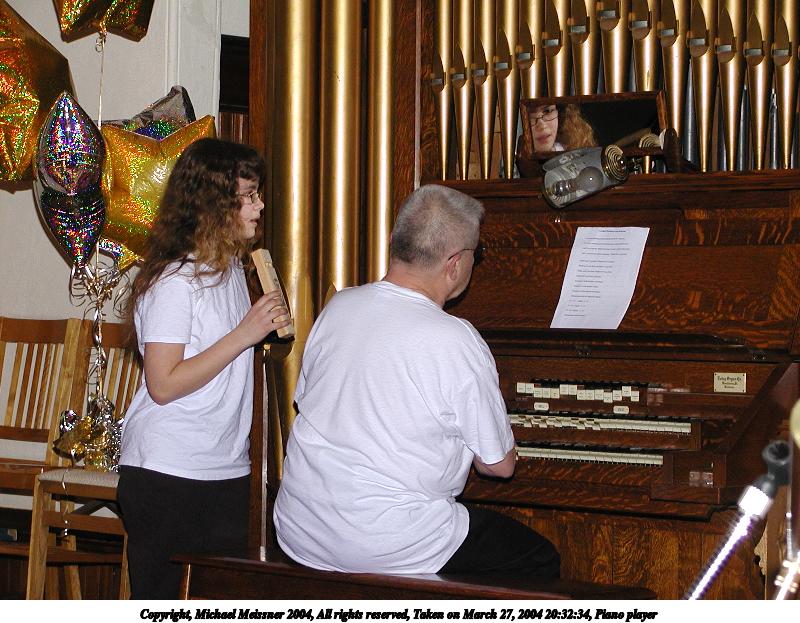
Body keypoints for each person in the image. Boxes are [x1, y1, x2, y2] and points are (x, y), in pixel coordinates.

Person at [274, 184, 559, 576]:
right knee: (541, 559)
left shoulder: (338, 306)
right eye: (476, 255)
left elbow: (311, 401)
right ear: (455, 263)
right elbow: (499, 466)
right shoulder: (456, 339)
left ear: (395, 240)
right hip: (386, 541)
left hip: (300, 527)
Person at [117, 137, 290, 599]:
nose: (259, 206)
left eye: (257, 194)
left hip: (225, 468)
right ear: (214, 204)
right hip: (168, 471)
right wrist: (244, 334)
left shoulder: (231, 271)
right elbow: (163, 384)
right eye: (248, 196)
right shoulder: (176, 280)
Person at [530, 103, 597, 153]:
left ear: (559, 113)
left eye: (547, 111)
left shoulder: (575, 152)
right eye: (529, 116)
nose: (542, 126)